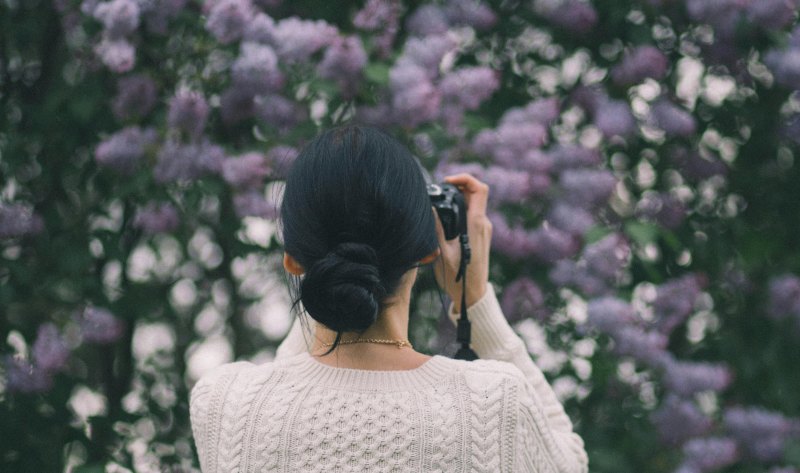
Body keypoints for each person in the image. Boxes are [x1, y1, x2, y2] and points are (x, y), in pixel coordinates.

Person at [189, 125, 589, 472]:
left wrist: (329, 268)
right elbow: (569, 463)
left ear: (292, 260)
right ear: (428, 249)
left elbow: (288, 406)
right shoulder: (493, 401)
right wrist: (475, 298)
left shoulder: (227, 404)